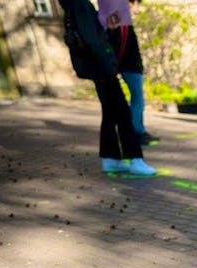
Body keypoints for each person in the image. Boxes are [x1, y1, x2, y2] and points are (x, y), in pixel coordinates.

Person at [59, 0, 156, 176]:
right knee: (123, 113)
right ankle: (135, 159)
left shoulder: (72, 6)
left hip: (96, 67)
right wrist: (109, 61)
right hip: (101, 67)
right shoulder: (80, 5)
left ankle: (110, 159)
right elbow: (92, 39)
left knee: (110, 112)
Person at [102, 0, 158, 146]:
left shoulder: (122, 21)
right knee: (137, 99)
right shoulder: (119, 21)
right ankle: (135, 132)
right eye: (135, 4)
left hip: (130, 65)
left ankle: (139, 131)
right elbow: (118, 44)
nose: (137, 9)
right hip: (129, 66)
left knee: (138, 99)